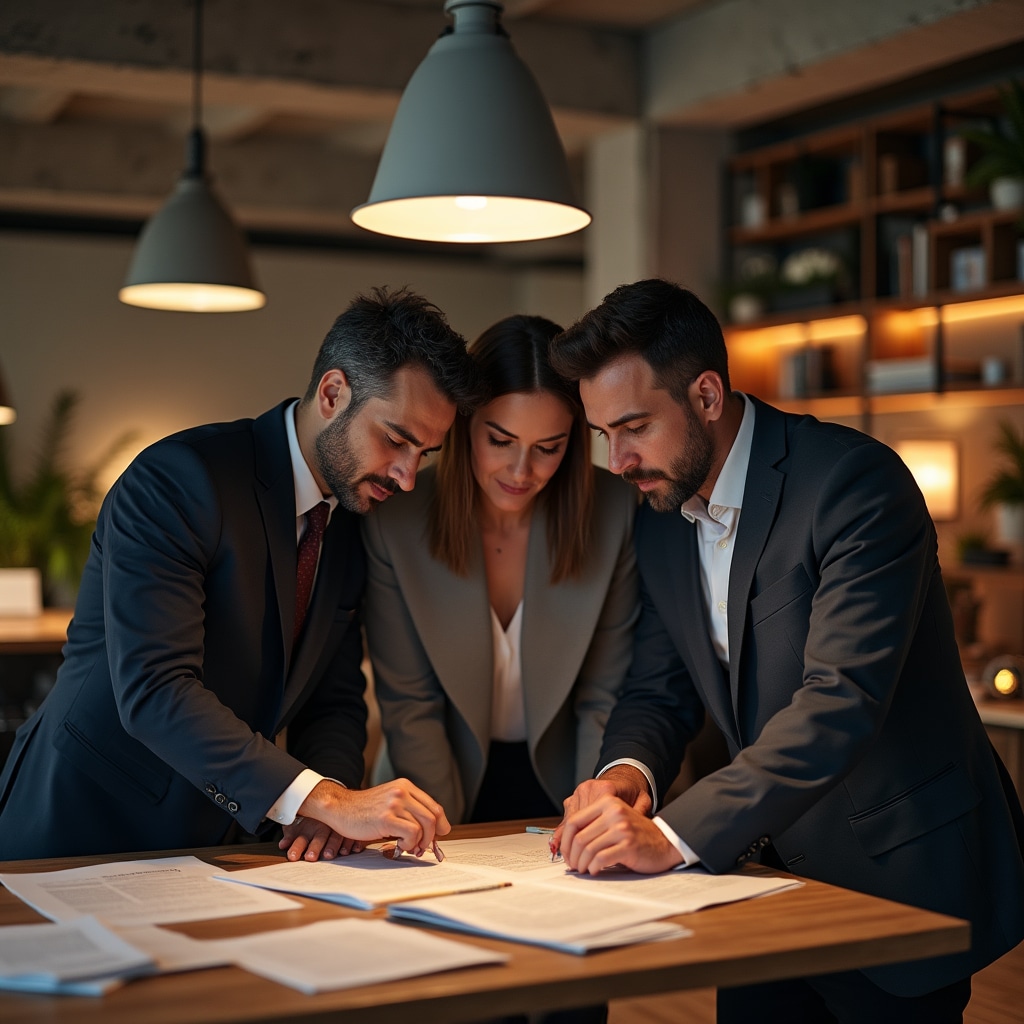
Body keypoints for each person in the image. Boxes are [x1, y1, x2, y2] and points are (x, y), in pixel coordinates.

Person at [548, 279, 1024, 1023]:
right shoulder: (661, 513)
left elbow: (839, 705)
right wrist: (625, 776)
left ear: (706, 394)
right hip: (758, 882)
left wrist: (671, 835)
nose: (617, 461)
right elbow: (658, 686)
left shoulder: (854, 485)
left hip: (893, 876)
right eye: (603, 434)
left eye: (633, 427)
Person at [0, 286, 481, 864]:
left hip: (220, 844)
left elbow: (333, 699)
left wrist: (327, 813)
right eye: (395, 439)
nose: (407, 477)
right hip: (80, 824)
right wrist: (321, 796)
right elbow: (156, 690)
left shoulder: (354, 518)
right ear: (333, 393)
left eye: (424, 453)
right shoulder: (180, 480)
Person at [363, 314, 639, 826]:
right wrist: (442, 832)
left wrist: (592, 817)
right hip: (430, 787)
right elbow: (410, 704)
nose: (520, 471)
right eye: (500, 440)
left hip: (570, 784)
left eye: (548, 449)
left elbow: (604, 697)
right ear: (465, 425)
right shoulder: (395, 518)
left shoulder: (615, 511)